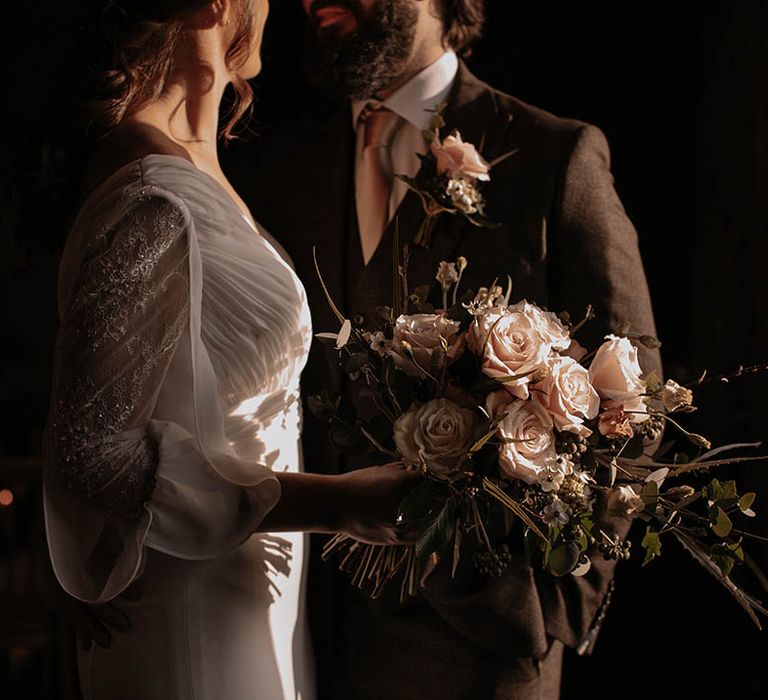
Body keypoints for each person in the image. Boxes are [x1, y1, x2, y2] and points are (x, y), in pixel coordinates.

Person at [229, 0, 663, 698]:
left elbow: (631, 403)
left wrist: (554, 611)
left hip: (486, 646)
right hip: (301, 629)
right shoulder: (282, 165)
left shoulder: (553, 155)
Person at [37, 1, 418, 698]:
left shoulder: (197, 164)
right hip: (187, 615)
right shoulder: (154, 196)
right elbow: (90, 452)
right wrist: (334, 505)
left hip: (255, 600)